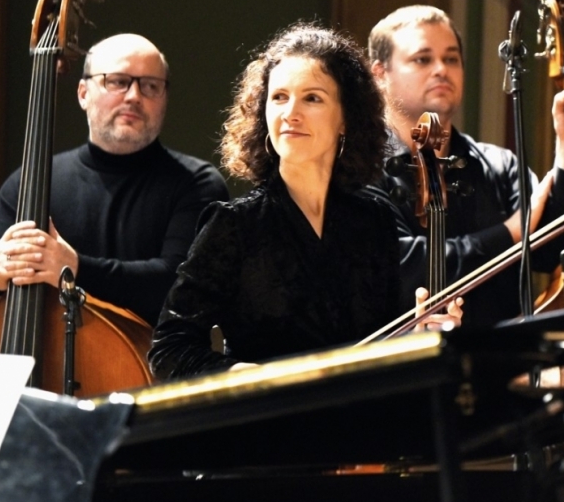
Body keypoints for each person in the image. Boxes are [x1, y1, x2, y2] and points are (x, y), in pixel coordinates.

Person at [149, 24, 451, 380]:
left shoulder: (374, 219)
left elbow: (379, 349)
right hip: (269, 414)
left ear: (346, 118)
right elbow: (170, 349)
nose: (291, 113)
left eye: (312, 98)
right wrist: (255, 377)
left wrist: (418, 337)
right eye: (279, 97)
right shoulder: (235, 225)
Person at [0, 33, 228, 325]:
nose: (134, 96)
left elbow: (177, 286)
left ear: (164, 99)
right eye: (117, 81)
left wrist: (73, 267)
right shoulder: (28, 182)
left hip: (151, 355)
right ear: (83, 94)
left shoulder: (197, 184)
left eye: (151, 86)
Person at [366, 5, 564, 327]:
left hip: (505, 358)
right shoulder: (363, 171)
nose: (441, 69)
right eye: (422, 59)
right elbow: (400, 267)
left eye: (452, 59)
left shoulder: (500, 166)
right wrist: (510, 233)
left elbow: (551, 251)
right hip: (407, 358)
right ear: (379, 74)